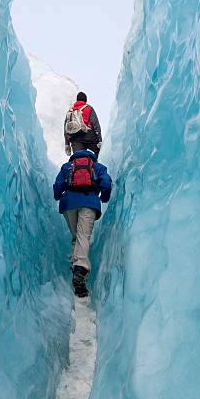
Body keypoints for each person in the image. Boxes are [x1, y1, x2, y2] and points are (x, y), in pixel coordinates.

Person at [54, 149, 112, 297]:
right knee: (83, 236)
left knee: (76, 237)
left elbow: (58, 185)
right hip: (89, 203)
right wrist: (104, 197)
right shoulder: (97, 166)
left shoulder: (67, 167)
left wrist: (58, 196)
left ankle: (75, 265)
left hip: (69, 205)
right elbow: (106, 182)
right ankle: (80, 271)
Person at [64, 92, 102, 157]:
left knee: (78, 159)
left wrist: (67, 144)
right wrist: (99, 140)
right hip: (89, 136)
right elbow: (95, 125)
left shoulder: (70, 111)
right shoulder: (89, 108)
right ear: (85, 100)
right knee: (96, 156)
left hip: (75, 138)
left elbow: (66, 129)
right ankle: (93, 165)